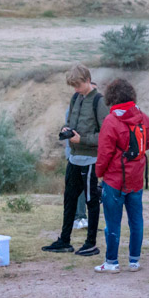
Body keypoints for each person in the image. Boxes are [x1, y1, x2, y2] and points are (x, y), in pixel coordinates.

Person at [42, 65, 107, 257]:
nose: (76, 89)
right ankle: (64, 240)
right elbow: (69, 122)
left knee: (91, 202)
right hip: (74, 158)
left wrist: (83, 140)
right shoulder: (75, 98)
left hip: (90, 161)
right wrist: (65, 130)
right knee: (69, 200)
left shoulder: (99, 101)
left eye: (78, 85)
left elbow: (105, 135)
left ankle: (90, 243)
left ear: (87, 80)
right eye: (73, 86)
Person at [94, 78, 149, 273]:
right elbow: (146, 147)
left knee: (112, 222)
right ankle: (134, 260)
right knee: (136, 220)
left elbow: (104, 153)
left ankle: (112, 262)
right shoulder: (144, 119)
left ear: (112, 97)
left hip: (115, 180)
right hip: (136, 179)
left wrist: (99, 174)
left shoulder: (111, 121)